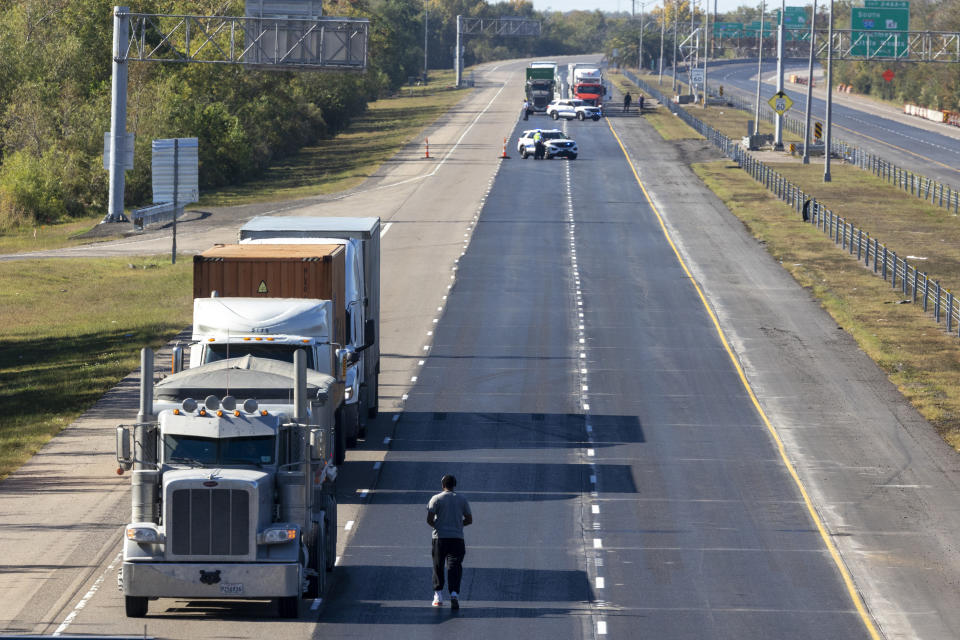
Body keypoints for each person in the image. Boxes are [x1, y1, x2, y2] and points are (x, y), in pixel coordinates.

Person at [427, 474, 472, 609]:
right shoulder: (462, 499)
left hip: (439, 538)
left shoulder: (436, 499)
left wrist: (438, 525)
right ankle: (454, 594)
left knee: (438, 566)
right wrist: (457, 525)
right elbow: (469, 519)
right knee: (454, 567)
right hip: (457, 539)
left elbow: (429, 519)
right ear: (454, 485)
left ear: (442, 485)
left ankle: (438, 596)